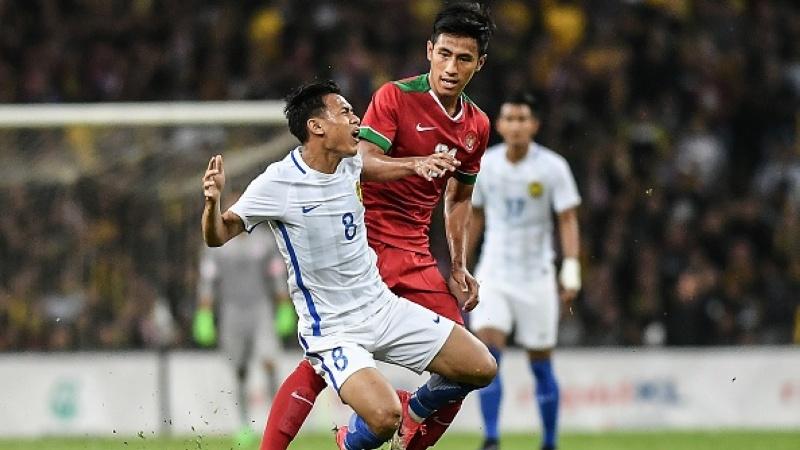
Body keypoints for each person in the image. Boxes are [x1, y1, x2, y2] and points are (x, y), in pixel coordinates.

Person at [202, 80, 496, 450]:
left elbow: (378, 165)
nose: (357, 118)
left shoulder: (352, 163)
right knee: (384, 417)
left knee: (481, 367)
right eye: (345, 111)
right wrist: (212, 203)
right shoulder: (279, 181)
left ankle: (415, 409)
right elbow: (218, 235)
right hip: (333, 327)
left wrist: (417, 164)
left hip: (382, 307)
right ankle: (350, 443)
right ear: (317, 126)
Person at [258, 3, 495, 450]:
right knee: (321, 362)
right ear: (429, 51)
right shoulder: (395, 97)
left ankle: (378, 432)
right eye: (444, 54)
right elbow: (361, 162)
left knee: (467, 366)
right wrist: (417, 164)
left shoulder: (476, 126)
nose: (451, 67)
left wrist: (459, 264)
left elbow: (460, 197)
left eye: (463, 59)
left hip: (417, 256)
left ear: (479, 63)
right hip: (363, 247)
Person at [467, 92, 582, 450]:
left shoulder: (552, 167)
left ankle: (549, 442)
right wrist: (460, 266)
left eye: (523, 119)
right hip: (495, 273)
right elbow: (474, 217)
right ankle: (491, 439)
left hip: (537, 276)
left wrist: (571, 269)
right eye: (510, 119)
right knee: (487, 357)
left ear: (534, 125)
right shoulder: (486, 164)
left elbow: (567, 218)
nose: (516, 125)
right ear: (499, 125)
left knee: (541, 365)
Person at [194, 205, 290, 447]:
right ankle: (244, 425)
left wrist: (283, 306)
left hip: (261, 310)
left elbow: (276, 274)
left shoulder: (264, 241)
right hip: (232, 313)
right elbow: (208, 280)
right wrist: (205, 313)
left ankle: (274, 421)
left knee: (269, 361)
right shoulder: (217, 246)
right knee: (240, 371)